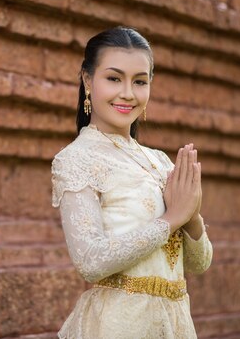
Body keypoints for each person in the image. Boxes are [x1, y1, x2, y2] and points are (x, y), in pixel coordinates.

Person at [50, 26, 213, 338]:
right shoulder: (76, 159)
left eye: (140, 81)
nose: (127, 92)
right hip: (116, 327)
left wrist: (191, 216)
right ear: (87, 80)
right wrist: (170, 220)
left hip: (174, 325)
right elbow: (89, 261)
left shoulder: (159, 161)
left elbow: (200, 263)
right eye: (114, 78)